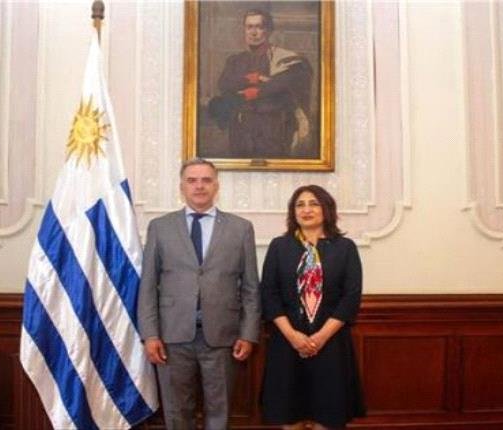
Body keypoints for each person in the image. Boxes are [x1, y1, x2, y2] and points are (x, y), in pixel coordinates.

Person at [138, 158, 261, 429]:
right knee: (177, 412)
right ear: (181, 186)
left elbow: (251, 287)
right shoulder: (160, 227)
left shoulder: (241, 228)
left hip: (222, 337)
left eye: (206, 180)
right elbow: (147, 285)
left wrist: (248, 333)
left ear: (216, 185)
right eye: (192, 180)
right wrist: (150, 334)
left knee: (220, 411)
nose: (199, 186)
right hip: (171, 337)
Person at [260, 185, 365, 429]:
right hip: (287, 343)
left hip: (331, 343)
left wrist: (320, 337)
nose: (306, 210)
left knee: (327, 415)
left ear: (326, 209)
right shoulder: (279, 246)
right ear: (293, 212)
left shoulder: (345, 247)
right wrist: (293, 336)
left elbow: (350, 297)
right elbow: (269, 295)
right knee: (290, 415)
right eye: (300, 205)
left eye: (314, 203)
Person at [210, 9, 313, 159]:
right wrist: (253, 78)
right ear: (244, 30)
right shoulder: (235, 60)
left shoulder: (285, 59)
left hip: (274, 129)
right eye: (249, 27)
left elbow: (283, 85)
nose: (253, 32)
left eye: (259, 27)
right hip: (241, 129)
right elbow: (225, 84)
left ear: (269, 30)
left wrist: (251, 92)